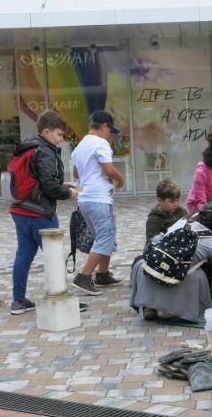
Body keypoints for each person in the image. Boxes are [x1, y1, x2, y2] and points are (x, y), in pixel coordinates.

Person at [8, 110, 82, 314]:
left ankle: (18, 301)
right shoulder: (45, 150)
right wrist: (68, 192)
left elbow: (38, 179)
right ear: (47, 132)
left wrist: (61, 184)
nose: (61, 139)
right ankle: (62, 300)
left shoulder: (26, 147)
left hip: (20, 209)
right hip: (40, 212)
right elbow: (49, 187)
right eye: (59, 134)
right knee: (54, 256)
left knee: (23, 255)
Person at [130, 202, 212, 322]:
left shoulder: (182, 222)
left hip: (151, 270)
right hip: (176, 279)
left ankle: (150, 305)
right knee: (207, 269)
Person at [70, 110, 126, 296]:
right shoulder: (101, 143)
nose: (110, 135)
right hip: (99, 198)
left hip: (84, 198)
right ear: (103, 127)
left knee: (102, 236)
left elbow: (77, 174)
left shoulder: (79, 146)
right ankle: (84, 276)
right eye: (110, 130)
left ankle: (102, 274)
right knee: (105, 236)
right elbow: (109, 170)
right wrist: (121, 179)